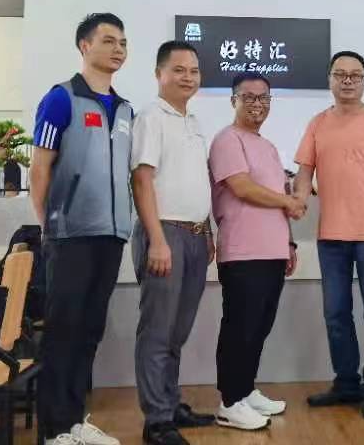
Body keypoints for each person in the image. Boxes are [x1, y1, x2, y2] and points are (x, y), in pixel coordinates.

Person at [30, 13, 132, 445]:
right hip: (69, 236)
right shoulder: (61, 99)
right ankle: (53, 430)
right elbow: (39, 169)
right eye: (108, 40)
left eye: (122, 42)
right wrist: (49, 226)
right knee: (63, 330)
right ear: (85, 46)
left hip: (112, 235)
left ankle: (73, 421)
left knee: (90, 331)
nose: (118, 49)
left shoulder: (125, 110)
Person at [294, 51, 364, 420]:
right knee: (336, 314)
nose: (347, 80)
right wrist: (296, 199)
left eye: (355, 75)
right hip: (331, 236)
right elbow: (304, 173)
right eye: (340, 74)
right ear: (329, 79)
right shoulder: (317, 123)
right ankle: (346, 384)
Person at [131, 41, 216, 445]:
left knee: (177, 331)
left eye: (194, 70)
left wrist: (208, 231)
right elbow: (141, 180)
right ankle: (157, 421)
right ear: (159, 74)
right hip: (165, 235)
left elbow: (196, 182)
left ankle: (170, 402)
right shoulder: (151, 117)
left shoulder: (193, 121)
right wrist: (157, 240)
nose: (188, 77)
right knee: (158, 331)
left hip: (195, 236)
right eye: (178, 70)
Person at [209, 72, 304, 431]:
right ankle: (229, 401)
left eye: (263, 97)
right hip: (243, 252)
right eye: (248, 97)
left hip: (272, 251)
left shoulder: (267, 146)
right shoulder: (227, 140)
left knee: (259, 327)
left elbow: (279, 197)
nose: (257, 104)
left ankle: (245, 391)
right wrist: (288, 201)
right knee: (240, 328)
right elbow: (242, 187)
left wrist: (289, 242)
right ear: (233, 100)